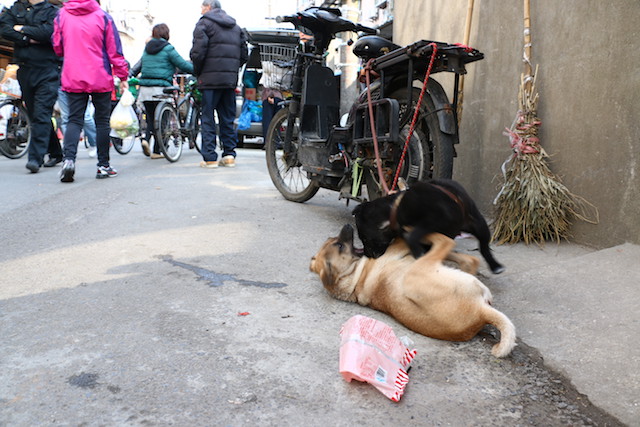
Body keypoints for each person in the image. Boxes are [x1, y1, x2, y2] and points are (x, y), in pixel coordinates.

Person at [52, 0, 129, 182]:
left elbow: (57, 46)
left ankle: (69, 160)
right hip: (99, 75)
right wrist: (123, 76)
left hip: (73, 74)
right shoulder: (103, 17)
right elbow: (114, 51)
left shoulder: (62, 15)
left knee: (73, 120)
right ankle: (103, 166)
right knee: (102, 121)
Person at [0, 0, 62, 173]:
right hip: (25, 68)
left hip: (47, 69)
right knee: (36, 114)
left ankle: (35, 158)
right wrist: (29, 37)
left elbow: (48, 33)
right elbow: (5, 29)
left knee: (42, 114)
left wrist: (22, 29)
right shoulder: (16, 7)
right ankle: (56, 152)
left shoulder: (53, 11)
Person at [190, 0, 247, 168]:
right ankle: (229, 155)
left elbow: (198, 52)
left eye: (202, 6)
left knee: (208, 118)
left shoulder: (204, 24)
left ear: (209, 7)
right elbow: (244, 54)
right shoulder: (235, 27)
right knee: (227, 118)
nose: (200, 10)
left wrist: (198, 71)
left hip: (209, 80)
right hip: (229, 81)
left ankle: (210, 158)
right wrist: (232, 69)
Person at [132, 23, 193, 159]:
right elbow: (182, 64)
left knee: (150, 118)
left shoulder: (147, 50)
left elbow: (138, 67)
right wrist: (197, 70)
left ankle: (145, 140)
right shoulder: (168, 49)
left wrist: (129, 75)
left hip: (145, 89)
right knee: (163, 121)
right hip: (161, 89)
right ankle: (157, 151)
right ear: (166, 34)